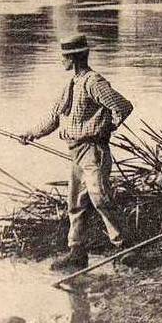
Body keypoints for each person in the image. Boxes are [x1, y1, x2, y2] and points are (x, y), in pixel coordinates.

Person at [20, 34, 134, 271]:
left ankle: (125, 248)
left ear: (74, 58)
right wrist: (32, 134)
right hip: (76, 153)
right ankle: (77, 252)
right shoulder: (70, 85)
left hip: (93, 151)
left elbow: (123, 107)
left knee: (101, 199)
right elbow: (54, 117)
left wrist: (107, 129)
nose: (61, 60)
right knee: (76, 203)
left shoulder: (94, 82)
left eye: (64, 56)